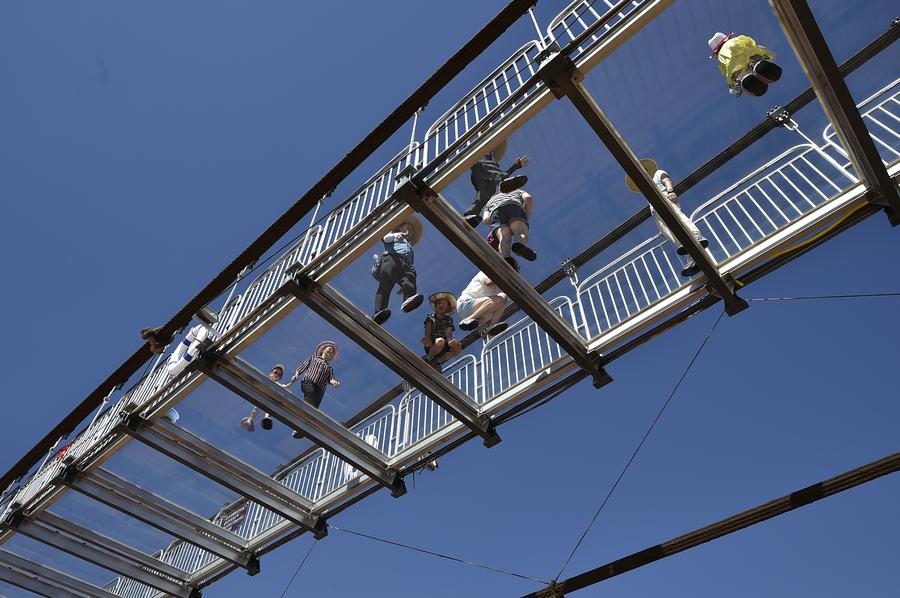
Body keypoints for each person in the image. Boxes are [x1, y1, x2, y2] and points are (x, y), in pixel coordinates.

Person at [625, 158, 709, 278]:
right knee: (668, 232)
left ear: (645, 169)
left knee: (679, 219)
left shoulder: (657, 174)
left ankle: (697, 237)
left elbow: (666, 179)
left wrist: (670, 191)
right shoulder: (647, 188)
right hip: (656, 211)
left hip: (664, 199)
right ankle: (693, 259)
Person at [465, 138, 530, 227]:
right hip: (479, 169)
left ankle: (470, 215)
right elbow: (497, 173)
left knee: (487, 192)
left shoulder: (493, 164)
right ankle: (503, 181)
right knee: (493, 171)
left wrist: (516, 166)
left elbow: (498, 174)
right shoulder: (483, 155)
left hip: (486, 179)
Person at [283, 341, 341, 439]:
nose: (330, 352)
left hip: (320, 388)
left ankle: (303, 426)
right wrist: (296, 375)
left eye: (332, 352)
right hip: (308, 382)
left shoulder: (329, 368)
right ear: (323, 350)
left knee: (313, 407)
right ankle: (299, 424)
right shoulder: (313, 358)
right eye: (329, 349)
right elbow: (302, 367)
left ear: (331, 357)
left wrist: (334, 382)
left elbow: (331, 378)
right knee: (310, 394)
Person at [373, 217, 425, 325]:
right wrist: (394, 235)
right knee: (385, 284)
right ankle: (379, 312)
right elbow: (385, 238)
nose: (410, 228)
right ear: (400, 227)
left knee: (410, 276)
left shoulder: (408, 246)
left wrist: (403, 284)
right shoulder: (392, 235)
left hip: (405, 264)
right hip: (391, 258)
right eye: (407, 225)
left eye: (411, 228)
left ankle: (409, 298)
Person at [708, 32, 781, 97]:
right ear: (728, 37)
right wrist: (764, 53)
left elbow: (725, 71)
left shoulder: (720, 57)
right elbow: (751, 42)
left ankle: (745, 81)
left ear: (716, 51)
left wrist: (732, 84)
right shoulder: (737, 39)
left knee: (742, 77)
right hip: (751, 57)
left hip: (737, 69)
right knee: (757, 62)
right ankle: (760, 67)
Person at [456, 265, 518, 337]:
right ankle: (469, 319)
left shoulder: (500, 289)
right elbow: (489, 283)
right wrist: (503, 275)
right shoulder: (486, 272)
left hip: (480, 313)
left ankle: (492, 326)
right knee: (501, 298)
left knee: (503, 298)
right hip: (465, 305)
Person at [482, 186, 536, 267]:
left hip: (495, 212)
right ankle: (519, 244)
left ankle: (506, 258)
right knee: (520, 232)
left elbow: (485, 219)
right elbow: (528, 198)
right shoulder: (516, 191)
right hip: (514, 206)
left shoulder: (489, 202)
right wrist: (526, 215)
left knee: (504, 238)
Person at [422, 292, 462, 372]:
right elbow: (428, 329)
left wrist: (450, 341)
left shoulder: (449, 319)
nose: (441, 305)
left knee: (457, 348)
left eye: (444, 303)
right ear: (435, 306)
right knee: (440, 341)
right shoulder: (431, 317)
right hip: (432, 343)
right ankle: (428, 358)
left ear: (447, 307)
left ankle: (437, 361)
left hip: (444, 345)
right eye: (439, 303)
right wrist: (427, 339)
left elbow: (449, 332)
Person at [240, 364, 285, 432]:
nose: (276, 375)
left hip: (270, 399)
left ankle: (267, 418)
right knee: (259, 405)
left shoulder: (278, 386)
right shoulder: (264, 379)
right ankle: (251, 419)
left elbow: (284, 388)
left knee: (272, 405)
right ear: (271, 373)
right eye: (275, 372)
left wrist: (292, 382)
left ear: (280, 378)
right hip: (262, 397)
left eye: (279, 375)